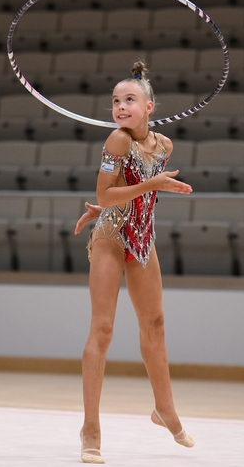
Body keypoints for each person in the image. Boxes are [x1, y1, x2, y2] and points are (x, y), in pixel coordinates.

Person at [74, 61, 194, 464]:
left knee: (155, 327)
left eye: (129, 100)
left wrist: (140, 191)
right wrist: (146, 188)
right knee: (103, 329)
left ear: (150, 106)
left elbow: (132, 195)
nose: (120, 107)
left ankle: (165, 409)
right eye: (115, 101)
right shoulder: (115, 142)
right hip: (111, 237)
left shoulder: (164, 146)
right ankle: (90, 427)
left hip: (142, 238)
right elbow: (108, 195)